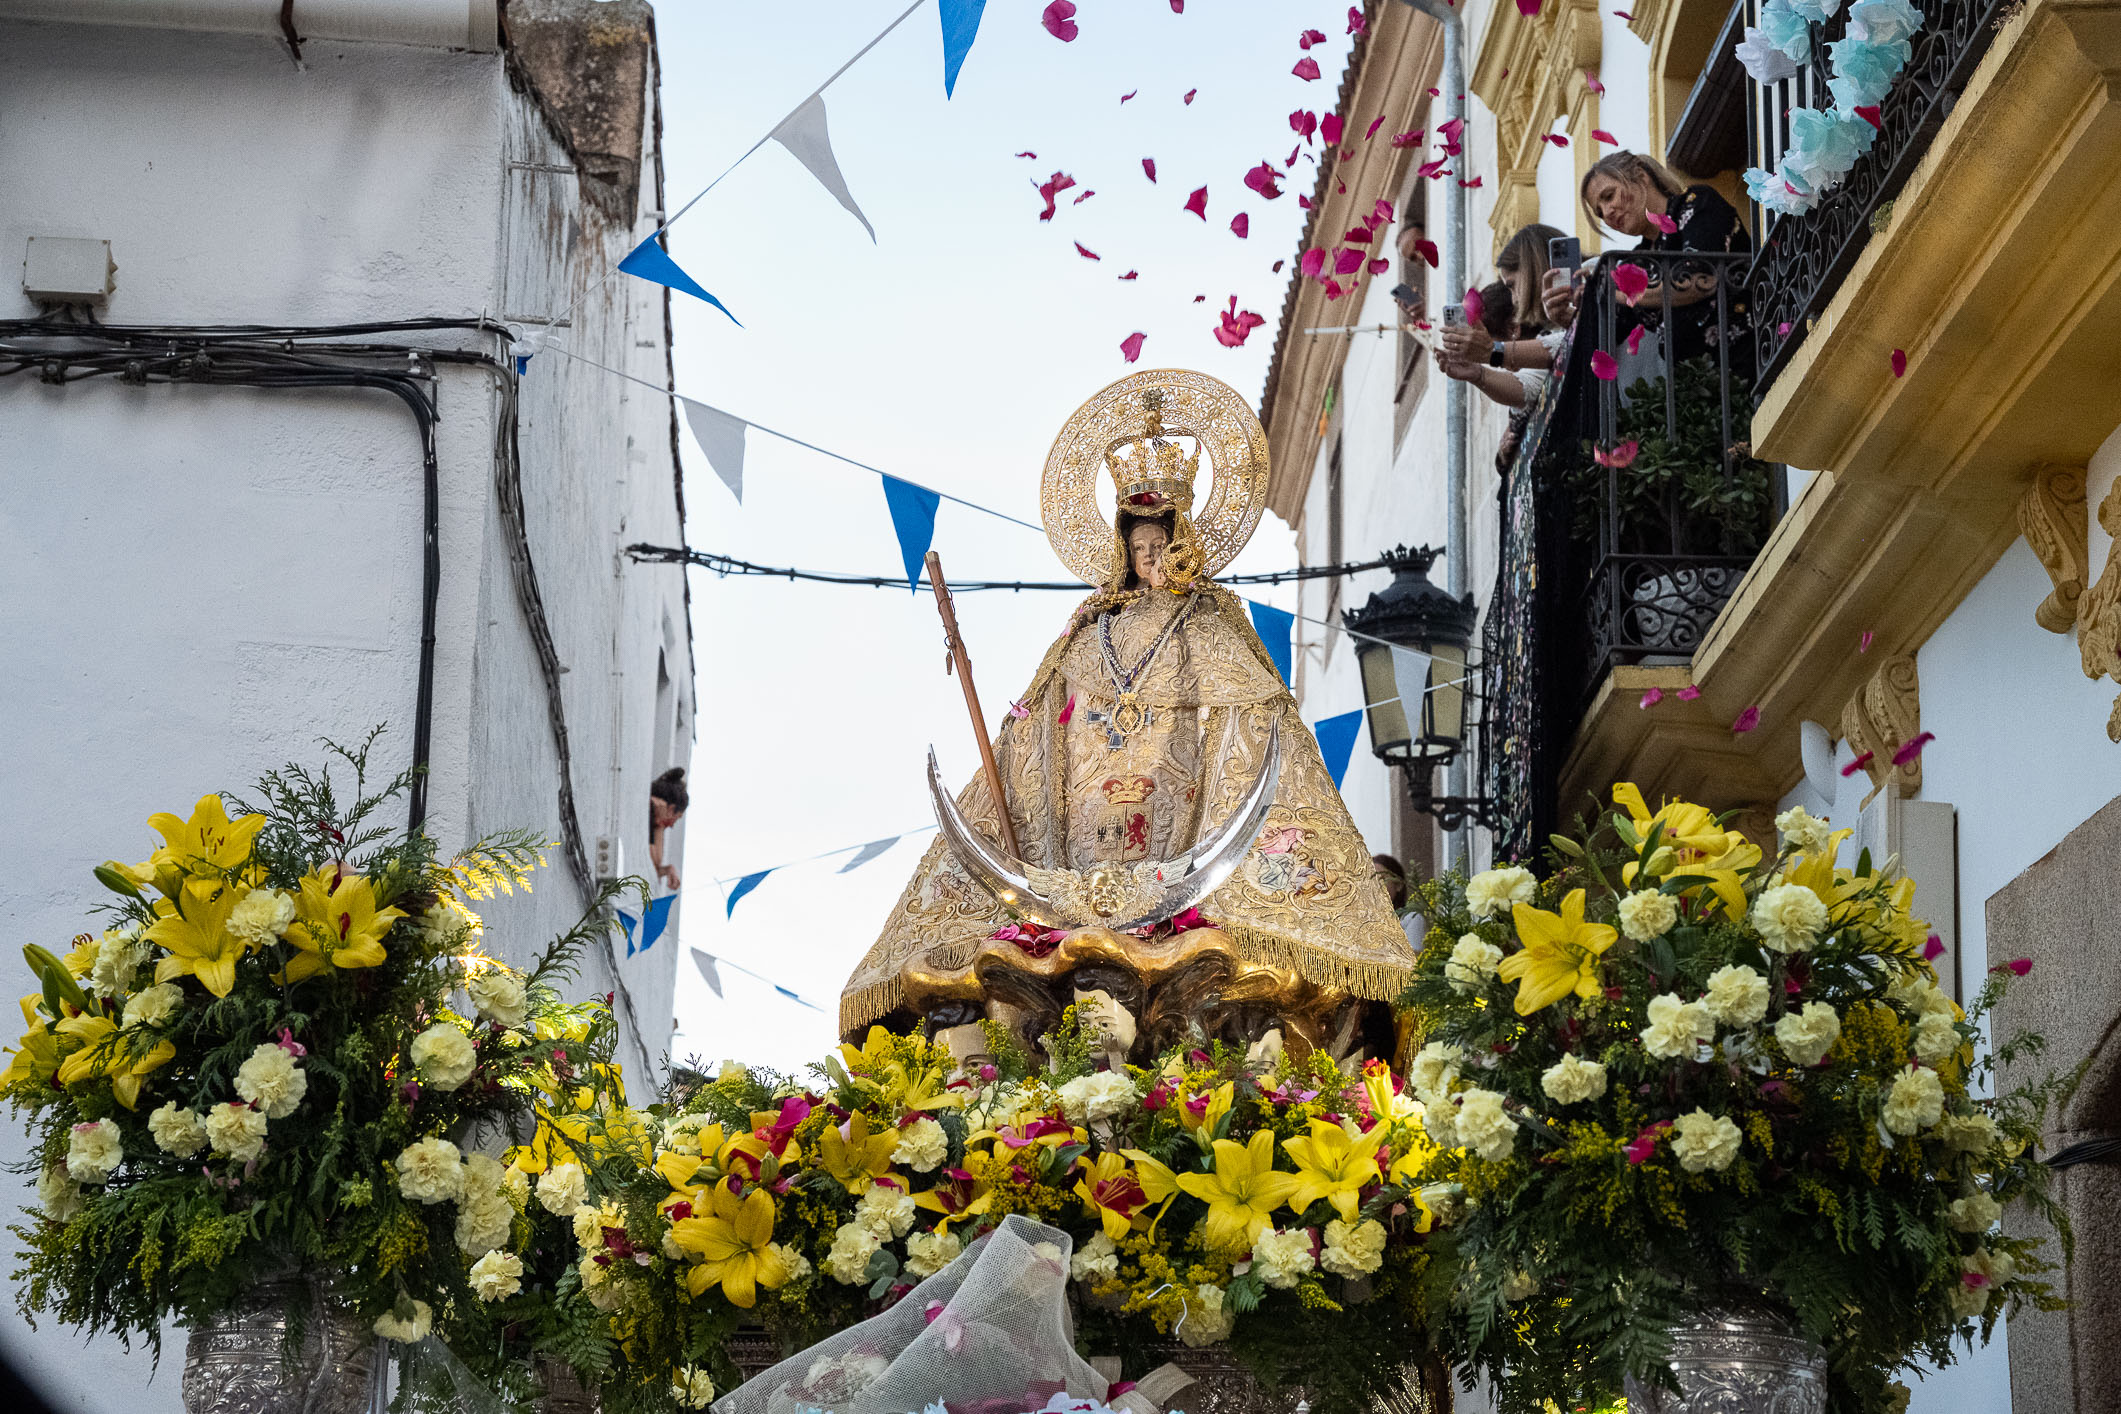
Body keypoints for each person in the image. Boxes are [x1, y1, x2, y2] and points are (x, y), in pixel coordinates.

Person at [842, 376, 1416, 1062]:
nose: (1148, 560)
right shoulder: (1085, 634)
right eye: (1137, 548)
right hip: (1078, 852)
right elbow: (1036, 739)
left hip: (1185, 847)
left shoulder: (1212, 627)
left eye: (1159, 546)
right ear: (1121, 548)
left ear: (1183, 541)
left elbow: (1247, 735)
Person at [1545, 150, 1751, 365]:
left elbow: (1699, 279)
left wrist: (1613, 290)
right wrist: (1566, 317)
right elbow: (1605, 334)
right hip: (1704, 382)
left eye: (1609, 196)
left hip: (1751, 353)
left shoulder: (1695, 203)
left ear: (1641, 175)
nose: (1607, 213)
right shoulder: (1635, 262)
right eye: (1599, 212)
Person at [1436, 223, 1568, 410]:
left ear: (1532, 269)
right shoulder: (1549, 330)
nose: (1514, 299)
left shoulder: (1593, 274)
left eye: (1512, 285)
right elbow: (1528, 387)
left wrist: (1493, 352)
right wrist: (1478, 375)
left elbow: (1566, 344)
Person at [649, 766, 686, 890]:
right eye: (677, 817)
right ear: (670, 809)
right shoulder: (646, 809)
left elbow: (655, 865)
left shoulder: (655, 825)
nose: (672, 825)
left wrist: (669, 869)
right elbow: (654, 862)